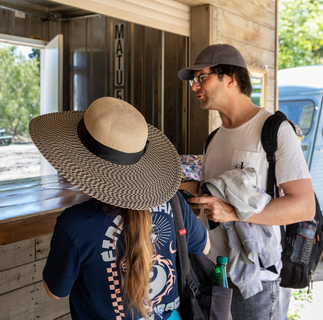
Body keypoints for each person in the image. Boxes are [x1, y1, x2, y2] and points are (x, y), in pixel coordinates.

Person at [29, 97, 210, 320]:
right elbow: (205, 246)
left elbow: (55, 291)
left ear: (82, 161)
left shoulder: (75, 224)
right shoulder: (173, 202)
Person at [178, 44, 315, 320]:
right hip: (211, 274)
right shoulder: (213, 139)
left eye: (201, 77)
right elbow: (211, 196)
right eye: (194, 81)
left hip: (253, 281)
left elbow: (303, 206)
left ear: (230, 77)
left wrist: (232, 211)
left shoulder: (274, 130)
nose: (195, 87)